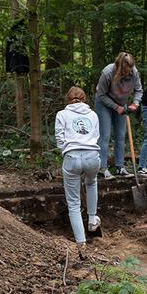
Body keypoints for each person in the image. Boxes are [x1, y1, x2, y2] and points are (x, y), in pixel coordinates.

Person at [55, 86, 102, 259]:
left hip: (72, 157)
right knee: (91, 182)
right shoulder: (93, 115)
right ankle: (92, 219)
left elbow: (59, 137)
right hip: (92, 157)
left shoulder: (62, 114)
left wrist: (66, 150)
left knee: (73, 203)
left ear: (68, 99)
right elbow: (96, 135)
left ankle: (81, 243)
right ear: (84, 99)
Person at [94, 52, 143, 179]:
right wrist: (116, 107)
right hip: (104, 102)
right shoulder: (107, 73)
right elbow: (101, 95)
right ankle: (102, 168)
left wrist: (135, 103)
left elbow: (139, 90)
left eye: (129, 71)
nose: (128, 74)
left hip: (122, 103)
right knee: (104, 135)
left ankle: (120, 167)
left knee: (121, 136)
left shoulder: (134, 72)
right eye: (125, 71)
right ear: (119, 67)